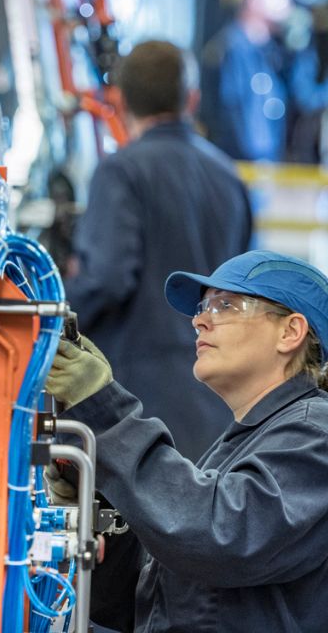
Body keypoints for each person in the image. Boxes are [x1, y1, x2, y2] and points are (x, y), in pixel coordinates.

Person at [48, 250, 328, 632]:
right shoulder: (248, 444)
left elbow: (218, 536)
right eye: (202, 308)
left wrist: (105, 412)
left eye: (225, 305)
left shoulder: (319, 437)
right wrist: (104, 498)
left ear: (290, 332)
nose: (199, 320)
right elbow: (151, 603)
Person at [66, 40, 251, 463]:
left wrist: (50, 316)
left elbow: (107, 279)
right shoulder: (229, 177)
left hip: (134, 399)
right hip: (217, 397)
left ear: (119, 101)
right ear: (192, 99)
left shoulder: (121, 170)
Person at [200, 0, 328, 163]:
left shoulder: (272, 51)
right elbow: (240, 124)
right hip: (248, 168)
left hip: (265, 165)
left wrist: (298, 38)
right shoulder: (235, 52)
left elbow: (304, 96)